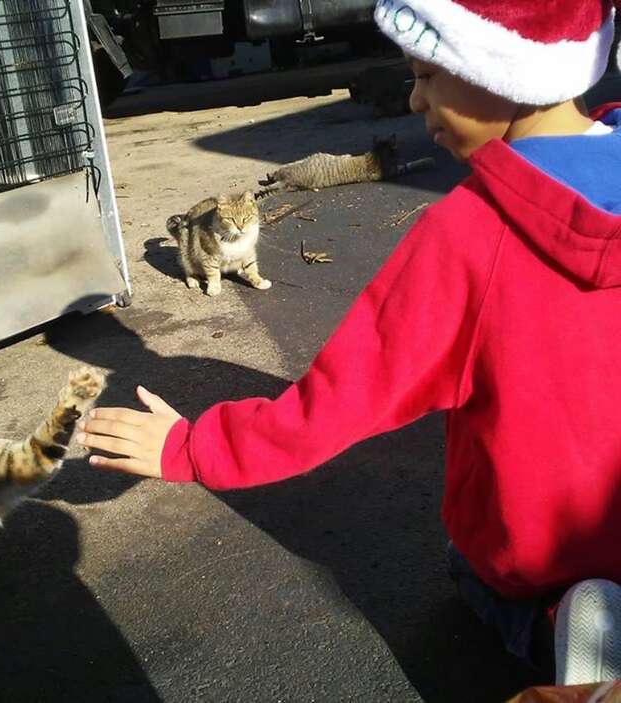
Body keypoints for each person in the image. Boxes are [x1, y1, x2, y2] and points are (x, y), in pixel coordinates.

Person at [77, 0, 621, 685]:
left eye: (427, 74)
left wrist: (190, 447)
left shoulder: (471, 235)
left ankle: (561, 628)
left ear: (499, 70)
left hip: (543, 555)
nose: (415, 100)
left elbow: (335, 400)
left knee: (474, 565)